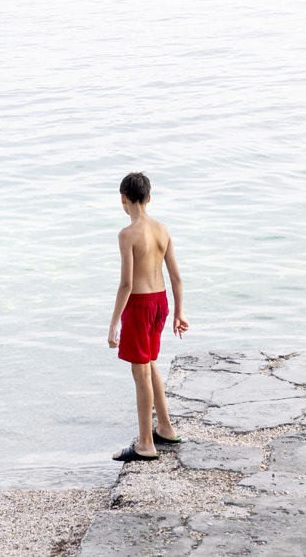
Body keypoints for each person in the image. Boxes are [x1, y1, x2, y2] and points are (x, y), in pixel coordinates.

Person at [108, 172, 189, 462]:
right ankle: (165, 427)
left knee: (140, 373)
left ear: (123, 200)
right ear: (150, 198)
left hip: (140, 306)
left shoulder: (126, 235)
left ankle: (145, 443)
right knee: (151, 363)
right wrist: (179, 312)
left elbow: (127, 284)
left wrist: (114, 322)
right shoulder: (162, 229)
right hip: (160, 303)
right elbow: (176, 277)